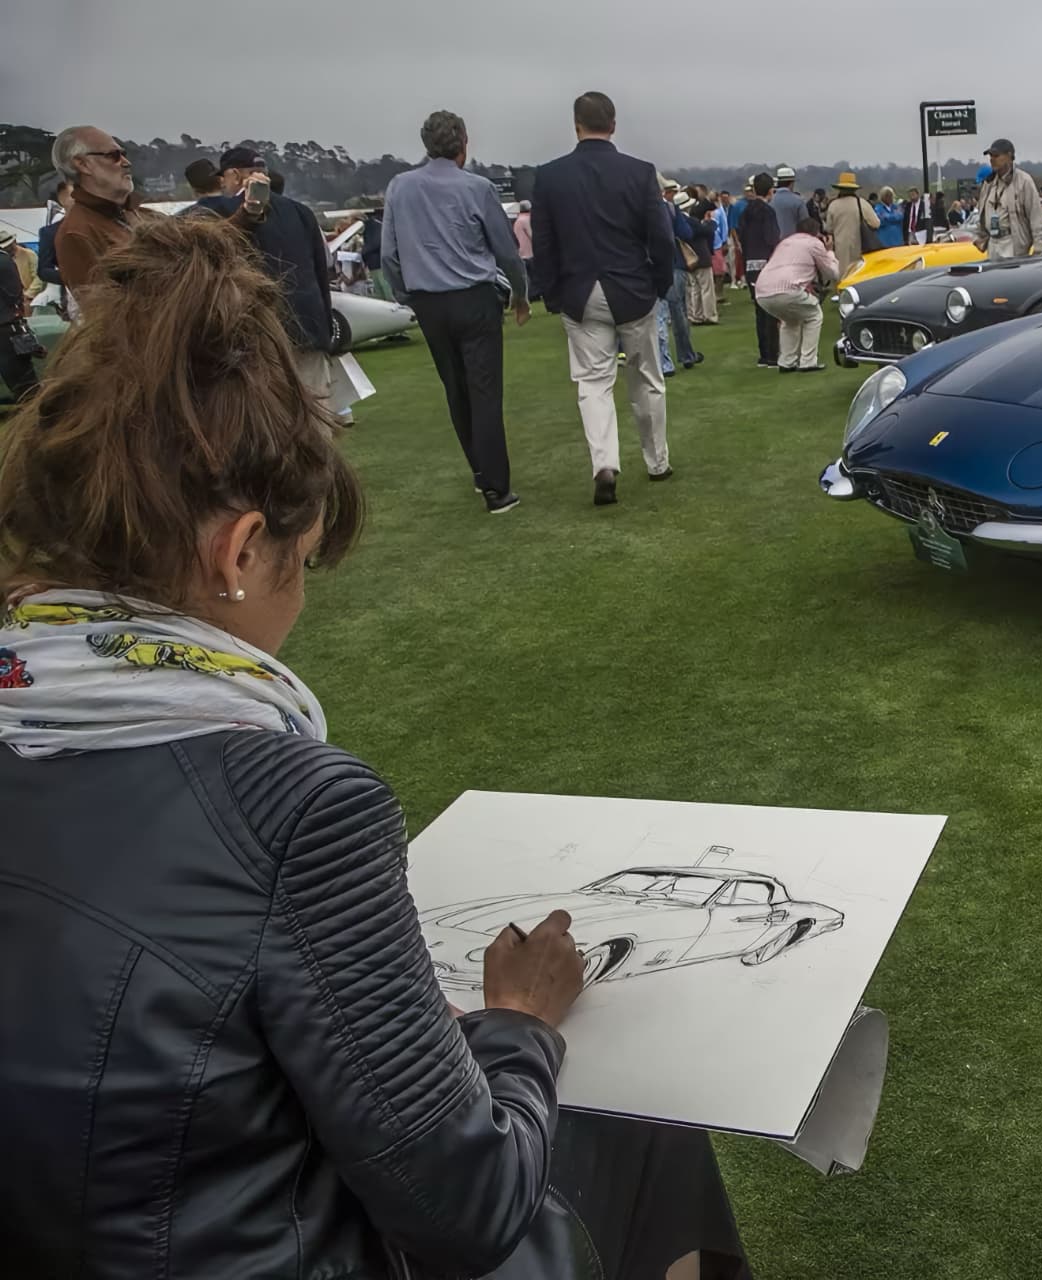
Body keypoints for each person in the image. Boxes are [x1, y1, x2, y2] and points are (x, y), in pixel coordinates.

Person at [0, 215, 754, 1279]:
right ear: (240, 549)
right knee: (630, 1114)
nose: (297, 599)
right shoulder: (292, 805)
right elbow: (468, 1202)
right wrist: (522, 1023)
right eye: (301, 562)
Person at [530, 91, 675, 507]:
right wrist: (659, 284)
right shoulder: (639, 172)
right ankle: (657, 461)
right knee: (646, 379)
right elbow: (661, 238)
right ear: (613, 124)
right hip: (632, 289)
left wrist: (553, 293)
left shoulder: (550, 176)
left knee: (593, 383)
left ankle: (604, 464)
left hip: (579, 292)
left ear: (576, 125)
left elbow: (543, 244)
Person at [382, 109, 531, 515]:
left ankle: (482, 473)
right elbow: (505, 250)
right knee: (484, 392)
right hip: (474, 297)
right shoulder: (477, 188)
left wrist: (405, 293)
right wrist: (520, 292)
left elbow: (389, 254)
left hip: (429, 301)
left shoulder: (399, 187)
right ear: (464, 141)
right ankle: (496, 489)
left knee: (456, 389)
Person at [198, 155, 335, 400]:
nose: (222, 185)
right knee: (317, 415)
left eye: (223, 178)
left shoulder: (218, 211)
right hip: (309, 326)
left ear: (235, 175)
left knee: (273, 419)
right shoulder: (301, 211)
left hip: (259, 334)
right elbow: (321, 272)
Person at [50, 126, 153, 309]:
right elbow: (106, 317)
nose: (126, 162)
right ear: (82, 164)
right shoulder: (76, 233)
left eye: (123, 153)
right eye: (113, 155)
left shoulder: (148, 216)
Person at [754, 216, 837, 372]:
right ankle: (808, 361)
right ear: (816, 232)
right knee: (814, 315)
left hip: (762, 291)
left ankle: (786, 361)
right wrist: (830, 252)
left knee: (790, 320)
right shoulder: (814, 243)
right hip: (787, 289)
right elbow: (833, 273)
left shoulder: (784, 242)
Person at [736, 172, 783, 369]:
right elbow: (772, 238)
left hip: (750, 263)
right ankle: (772, 354)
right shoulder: (768, 212)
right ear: (771, 190)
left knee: (759, 309)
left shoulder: (746, 212)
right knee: (770, 309)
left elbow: (742, 237)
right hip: (766, 263)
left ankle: (764, 353)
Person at [973, 139, 1042, 261]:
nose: (992, 159)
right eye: (990, 156)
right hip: (993, 242)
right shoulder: (989, 182)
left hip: (1012, 242)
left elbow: (1036, 216)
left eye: (996, 155)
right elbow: (981, 211)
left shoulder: (1024, 181)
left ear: (1009, 156)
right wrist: (980, 236)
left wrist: (1038, 249)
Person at [659, 182, 701, 369]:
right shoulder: (670, 209)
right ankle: (686, 355)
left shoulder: (640, 208)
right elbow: (686, 233)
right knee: (678, 313)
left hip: (651, 265)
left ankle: (663, 361)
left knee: (657, 316)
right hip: (674, 263)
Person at [0, 231, 41, 400]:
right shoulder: (5, 260)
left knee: (21, 383)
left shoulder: (5, 260)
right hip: (9, 326)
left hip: (7, 325)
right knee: (25, 384)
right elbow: (14, 293)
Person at [824, 171, 880, 278]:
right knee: (858, 275)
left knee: (842, 276)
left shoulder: (833, 205)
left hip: (840, 249)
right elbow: (876, 223)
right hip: (860, 247)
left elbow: (829, 228)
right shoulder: (862, 203)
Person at [684, 191, 719, 325]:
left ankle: (696, 315)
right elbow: (708, 231)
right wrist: (710, 222)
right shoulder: (691, 222)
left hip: (689, 258)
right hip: (701, 257)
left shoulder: (683, 220)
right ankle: (709, 315)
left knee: (695, 289)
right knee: (706, 289)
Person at [361, 201, 392, 300]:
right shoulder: (371, 226)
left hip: (379, 265)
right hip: (374, 266)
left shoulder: (374, 225)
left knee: (386, 292)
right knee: (380, 293)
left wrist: (363, 251)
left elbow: (376, 243)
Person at [770, 164, 807, 237]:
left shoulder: (770, 200)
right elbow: (805, 224)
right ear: (791, 183)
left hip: (774, 243)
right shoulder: (798, 201)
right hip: (793, 242)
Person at [513, 200, 537, 299]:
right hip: (530, 252)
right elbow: (532, 235)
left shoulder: (517, 220)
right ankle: (535, 294)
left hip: (521, 253)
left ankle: (530, 295)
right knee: (535, 276)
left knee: (527, 277)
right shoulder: (527, 220)